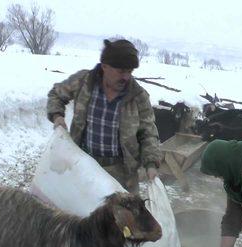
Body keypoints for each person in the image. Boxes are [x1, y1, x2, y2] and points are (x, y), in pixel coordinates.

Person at [46, 39, 161, 193]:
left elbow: (149, 134)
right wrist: (57, 116)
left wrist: (151, 164)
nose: (126, 77)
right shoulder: (84, 82)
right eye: (121, 71)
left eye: (129, 72)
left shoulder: (138, 97)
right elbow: (56, 94)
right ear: (104, 66)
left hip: (121, 175)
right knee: (81, 214)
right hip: (82, 166)